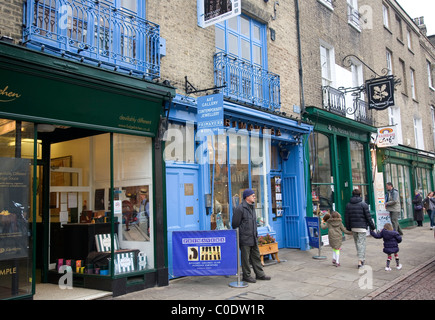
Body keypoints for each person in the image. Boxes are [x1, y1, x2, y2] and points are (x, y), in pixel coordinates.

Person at [232, 188, 271, 283]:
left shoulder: (252, 207)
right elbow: (235, 224)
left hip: (253, 237)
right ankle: (246, 276)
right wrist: (243, 231)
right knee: (245, 259)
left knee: (256, 257)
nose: (254, 197)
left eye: (254, 195)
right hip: (245, 238)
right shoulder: (240, 209)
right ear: (247, 197)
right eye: (253, 195)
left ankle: (260, 274)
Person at [345, 189, 376, 269]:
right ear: (360, 195)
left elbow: (347, 217)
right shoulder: (363, 204)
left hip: (353, 227)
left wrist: (348, 228)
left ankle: (361, 258)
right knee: (361, 244)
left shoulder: (348, 205)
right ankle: (360, 261)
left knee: (357, 244)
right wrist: (372, 227)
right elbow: (368, 217)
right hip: (362, 227)